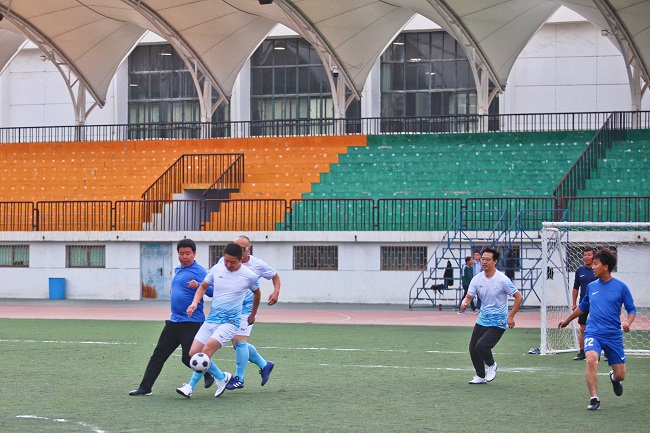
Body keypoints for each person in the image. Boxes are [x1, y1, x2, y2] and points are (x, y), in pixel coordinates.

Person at [129, 239, 215, 396]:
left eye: (188, 253)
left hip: (191, 321)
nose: (184, 257)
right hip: (174, 321)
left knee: (188, 358)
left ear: (194, 254)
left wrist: (198, 285)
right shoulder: (178, 270)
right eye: (181, 254)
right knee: (158, 354)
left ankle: (212, 374)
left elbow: (213, 291)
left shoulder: (199, 271)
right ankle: (145, 387)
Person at [176, 242, 260, 398]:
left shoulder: (249, 276)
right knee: (193, 353)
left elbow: (257, 294)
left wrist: (253, 314)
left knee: (207, 350)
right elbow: (202, 286)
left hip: (230, 322)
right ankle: (222, 377)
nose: (228, 264)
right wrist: (194, 303)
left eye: (232, 262)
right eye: (226, 260)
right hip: (212, 319)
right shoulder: (217, 269)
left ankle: (190, 386)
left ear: (240, 259)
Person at [558, 248, 636, 411]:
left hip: (613, 335)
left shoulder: (621, 287)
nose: (592, 267)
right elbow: (583, 307)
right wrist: (567, 320)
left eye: (595, 264)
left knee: (621, 374)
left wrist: (628, 322)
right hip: (593, 332)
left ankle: (614, 378)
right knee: (592, 360)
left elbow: (631, 309)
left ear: (605, 267)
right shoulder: (592, 287)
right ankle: (594, 398)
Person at [223, 235, 280, 390]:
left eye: (242, 248)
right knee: (236, 343)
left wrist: (276, 291)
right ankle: (264, 365)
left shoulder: (257, 264)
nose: (238, 250)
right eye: (236, 247)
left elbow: (275, 275)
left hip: (247, 307)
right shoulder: (227, 262)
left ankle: (239, 378)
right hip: (231, 306)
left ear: (248, 250)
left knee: (240, 341)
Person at [460, 246, 523, 384]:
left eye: (488, 259)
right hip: (483, 319)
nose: (484, 262)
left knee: (482, 346)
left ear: (495, 262)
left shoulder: (502, 280)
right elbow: (469, 297)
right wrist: (465, 302)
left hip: (498, 321)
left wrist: (511, 316)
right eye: (482, 259)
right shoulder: (477, 279)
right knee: (473, 348)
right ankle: (480, 376)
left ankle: (491, 365)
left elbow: (519, 297)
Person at [571, 247, 597, 361]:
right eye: (585, 255)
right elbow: (575, 288)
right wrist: (574, 303)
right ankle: (582, 352)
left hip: (597, 303)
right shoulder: (580, 271)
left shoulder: (598, 270)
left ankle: (606, 352)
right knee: (583, 328)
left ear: (594, 256)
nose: (586, 257)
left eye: (589, 255)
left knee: (600, 327)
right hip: (584, 304)